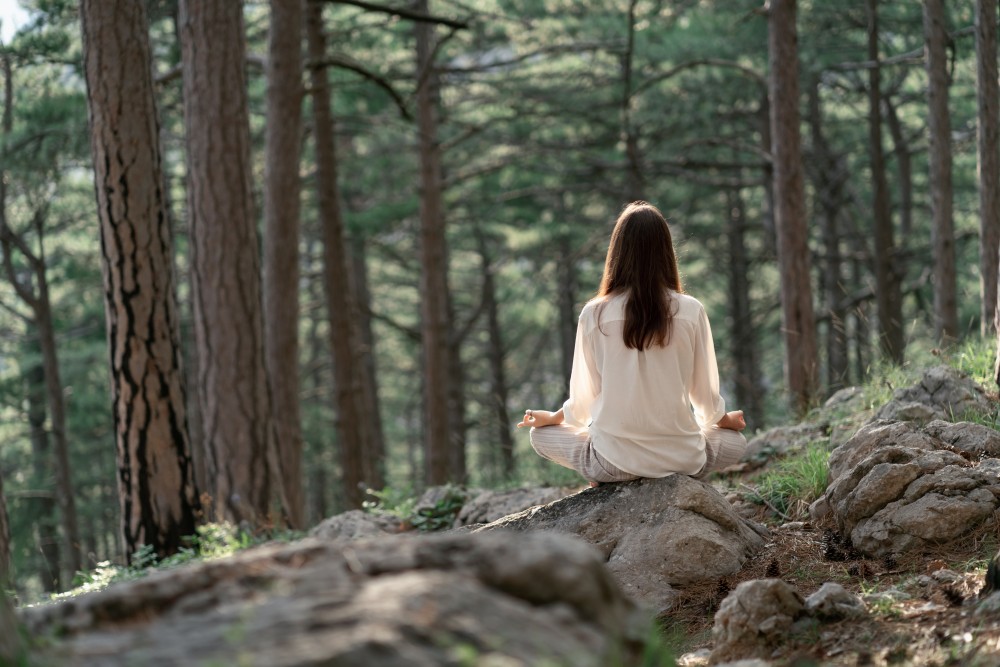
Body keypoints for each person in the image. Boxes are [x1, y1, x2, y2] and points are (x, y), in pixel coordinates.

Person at [517, 201, 747, 485]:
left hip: (612, 463)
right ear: (666, 252)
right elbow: (705, 399)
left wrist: (553, 418)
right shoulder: (691, 310)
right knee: (735, 442)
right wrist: (726, 421)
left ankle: (603, 473)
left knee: (539, 435)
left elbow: (583, 402)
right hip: (681, 461)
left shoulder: (594, 314)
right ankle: (668, 459)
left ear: (617, 252)